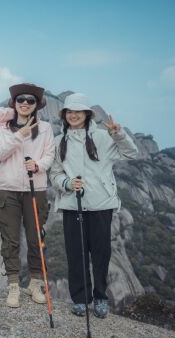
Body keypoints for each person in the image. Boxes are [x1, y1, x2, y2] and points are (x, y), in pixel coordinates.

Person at [49, 93, 138, 318]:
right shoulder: (60, 141)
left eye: (78, 111)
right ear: (64, 115)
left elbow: (131, 153)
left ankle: (100, 297)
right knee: (75, 253)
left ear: (87, 114)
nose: (74, 115)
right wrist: (67, 183)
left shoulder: (103, 137)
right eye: (69, 112)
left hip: (100, 204)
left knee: (100, 254)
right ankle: (80, 299)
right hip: (72, 204)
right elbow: (55, 173)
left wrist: (118, 135)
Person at [0, 83, 54, 308]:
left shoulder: (45, 128)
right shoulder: (4, 127)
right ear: (14, 103)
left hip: (35, 189)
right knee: (10, 239)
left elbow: (49, 154)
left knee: (36, 238)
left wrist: (37, 166)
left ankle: (35, 284)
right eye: (21, 100)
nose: (25, 103)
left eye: (30, 100)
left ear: (37, 104)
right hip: (9, 188)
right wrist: (20, 135)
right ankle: (13, 286)